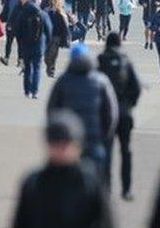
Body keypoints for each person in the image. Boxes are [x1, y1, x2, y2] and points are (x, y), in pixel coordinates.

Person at [1, 112, 117, 228]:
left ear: (78, 145)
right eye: (56, 143)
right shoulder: (34, 183)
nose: (62, 150)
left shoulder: (91, 182)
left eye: (67, 144)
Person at [46, 44, 119, 183]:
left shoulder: (63, 81)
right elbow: (111, 113)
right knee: (96, 179)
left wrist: (55, 136)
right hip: (94, 138)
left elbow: (52, 110)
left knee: (65, 179)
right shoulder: (101, 81)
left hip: (67, 141)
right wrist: (104, 134)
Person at [97, 33, 142, 200]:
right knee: (126, 150)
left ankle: (106, 187)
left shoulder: (101, 60)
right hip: (124, 112)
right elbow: (136, 87)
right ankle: (126, 188)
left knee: (106, 150)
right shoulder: (126, 61)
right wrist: (130, 104)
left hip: (106, 113)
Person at [16, 0, 52, 99]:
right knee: (37, 68)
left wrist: (20, 44)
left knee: (27, 68)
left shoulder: (23, 14)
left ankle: (27, 91)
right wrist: (46, 45)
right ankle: (35, 91)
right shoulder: (43, 15)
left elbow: (18, 31)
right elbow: (49, 31)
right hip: (39, 45)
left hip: (26, 45)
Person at [44, 0, 71, 78]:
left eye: (56, 0)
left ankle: (51, 70)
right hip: (48, 36)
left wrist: (66, 39)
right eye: (53, 0)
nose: (54, 2)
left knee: (53, 54)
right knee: (46, 56)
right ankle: (49, 67)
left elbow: (66, 27)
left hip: (57, 37)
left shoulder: (61, 13)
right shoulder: (47, 11)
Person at [0, 0, 25, 66]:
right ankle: (6, 58)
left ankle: (20, 60)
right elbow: (5, 10)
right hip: (10, 22)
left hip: (20, 23)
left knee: (20, 43)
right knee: (8, 42)